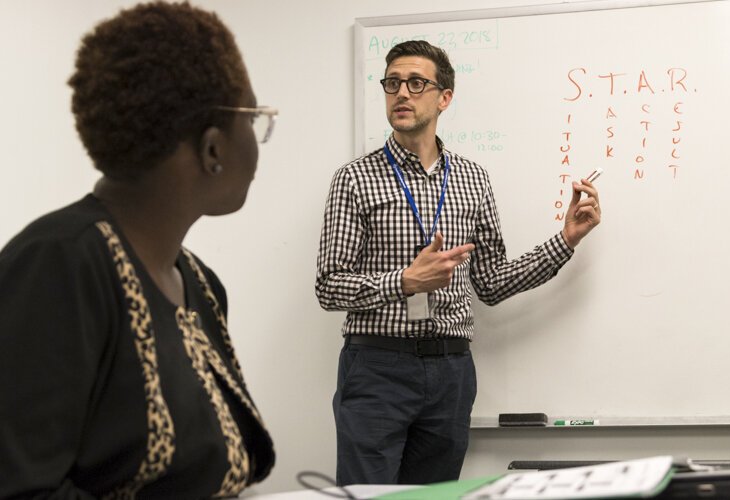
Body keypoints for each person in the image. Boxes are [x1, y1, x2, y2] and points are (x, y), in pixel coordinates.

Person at [0, 3, 277, 498]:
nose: (257, 143)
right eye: (253, 119)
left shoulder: (202, 285)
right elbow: (21, 488)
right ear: (212, 149)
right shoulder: (59, 264)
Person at [315, 40, 601, 486]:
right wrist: (405, 281)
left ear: (444, 97)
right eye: (392, 83)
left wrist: (565, 240)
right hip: (376, 367)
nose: (401, 94)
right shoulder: (353, 179)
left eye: (415, 83)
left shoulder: (472, 179)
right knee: (366, 495)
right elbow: (329, 286)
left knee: (435, 497)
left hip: (450, 370)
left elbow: (490, 282)